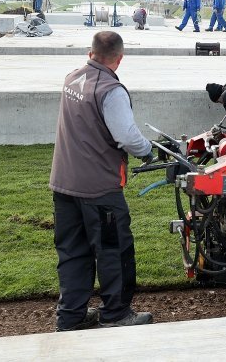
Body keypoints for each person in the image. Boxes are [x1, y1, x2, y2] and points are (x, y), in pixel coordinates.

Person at [49, 31, 154, 331]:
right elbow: (126, 136)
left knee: (72, 252)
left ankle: (71, 317)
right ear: (119, 59)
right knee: (115, 250)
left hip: (63, 185)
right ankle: (116, 313)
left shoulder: (72, 78)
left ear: (90, 52)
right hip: (99, 191)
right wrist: (147, 151)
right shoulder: (111, 89)